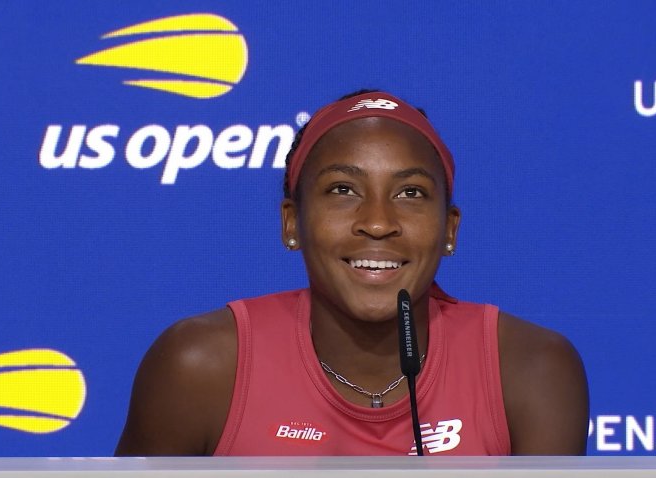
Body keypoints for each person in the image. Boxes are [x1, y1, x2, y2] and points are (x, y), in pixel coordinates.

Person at [115, 90, 589, 456]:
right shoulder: (200, 367)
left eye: (411, 194)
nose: (378, 222)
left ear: (449, 230)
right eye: (343, 189)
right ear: (290, 224)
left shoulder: (531, 370)